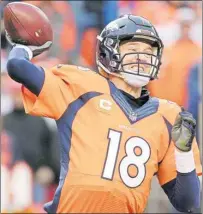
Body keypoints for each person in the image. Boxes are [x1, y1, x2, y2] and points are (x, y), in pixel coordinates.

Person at [6, 14, 202, 213]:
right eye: (133, 49)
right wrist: (24, 47)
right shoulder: (83, 87)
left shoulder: (169, 115)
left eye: (147, 51)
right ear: (109, 52)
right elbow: (18, 67)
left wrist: (183, 153)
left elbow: (189, 203)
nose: (142, 57)